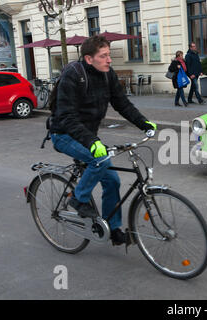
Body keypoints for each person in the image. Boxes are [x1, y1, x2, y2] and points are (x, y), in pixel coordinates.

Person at [49, 35, 157, 246]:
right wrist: (92, 142)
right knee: (99, 161)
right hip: (64, 134)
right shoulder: (73, 75)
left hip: (87, 136)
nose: (109, 60)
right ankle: (78, 199)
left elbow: (122, 103)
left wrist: (143, 123)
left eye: (109, 55)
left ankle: (112, 228)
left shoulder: (107, 75)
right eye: (104, 56)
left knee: (113, 181)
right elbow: (66, 117)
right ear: (89, 59)